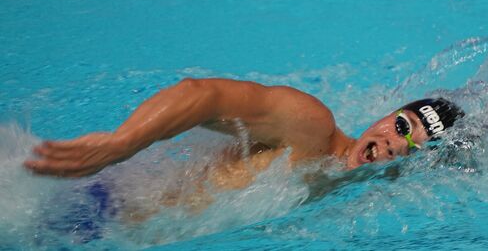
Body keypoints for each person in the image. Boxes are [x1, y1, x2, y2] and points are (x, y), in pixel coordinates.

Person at [24, 78, 464, 179]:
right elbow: (204, 95)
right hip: (86, 206)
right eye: (400, 125)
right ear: (385, 115)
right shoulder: (312, 127)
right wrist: (125, 142)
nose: (392, 143)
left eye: (412, 147)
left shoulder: (341, 184)